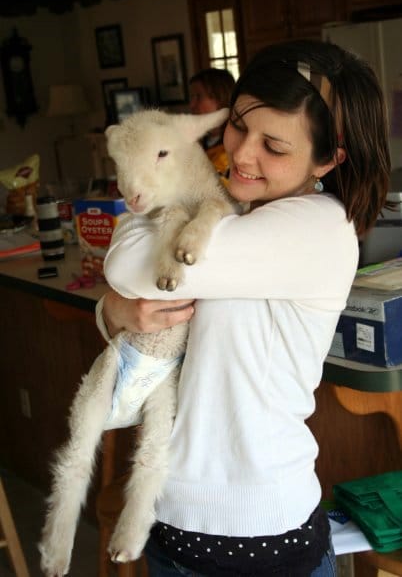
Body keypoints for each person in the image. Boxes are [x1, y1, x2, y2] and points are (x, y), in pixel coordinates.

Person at [97, 38, 390, 576]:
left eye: (274, 147)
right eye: (238, 124)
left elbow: (128, 264)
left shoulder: (316, 227)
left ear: (329, 159)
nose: (242, 152)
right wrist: (113, 312)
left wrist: (123, 276)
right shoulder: (238, 210)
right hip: (172, 521)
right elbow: (159, 300)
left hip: (258, 540)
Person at [189, 67, 235, 174]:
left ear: (220, 99)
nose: (192, 105)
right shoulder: (195, 140)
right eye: (191, 97)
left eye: (198, 97)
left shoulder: (233, 145)